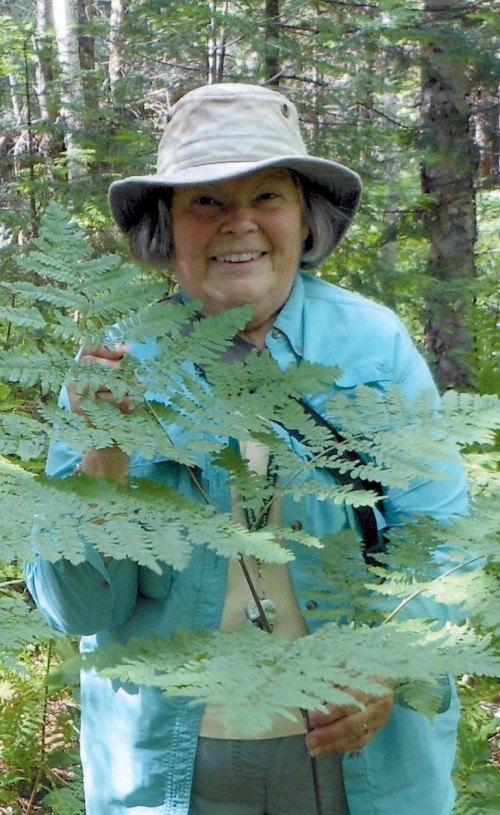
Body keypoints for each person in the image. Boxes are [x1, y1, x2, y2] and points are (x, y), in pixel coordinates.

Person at [26, 83, 468, 815]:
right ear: (168, 225)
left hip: (356, 759)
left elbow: (445, 541)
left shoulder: (373, 345)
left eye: (266, 196)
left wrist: (391, 666)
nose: (240, 224)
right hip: (171, 762)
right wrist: (103, 450)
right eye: (205, 200)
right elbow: (76, 608)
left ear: (304, 217)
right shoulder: (114, 364)